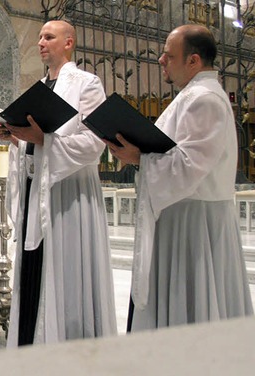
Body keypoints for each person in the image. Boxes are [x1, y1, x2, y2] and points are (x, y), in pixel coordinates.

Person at [107, 24, 253, 331]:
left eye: (168, 55)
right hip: (185, 214)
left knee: (191, 301)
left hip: (194, 222)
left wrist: (138, 158)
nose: (160, 60)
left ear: (193, 61)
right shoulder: (194, 95)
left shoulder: (204, 99)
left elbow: (189, 166)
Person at [0, 20, 117, 346]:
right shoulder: (39, 88)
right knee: (34, 269)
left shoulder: (87, 84)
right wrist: (16, 136)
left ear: (69, 43)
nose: (40, 42)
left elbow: (94, 142)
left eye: (48, 37)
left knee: (64, 273)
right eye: (38, 37)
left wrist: (43, 140)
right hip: (38, 189)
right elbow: (37, 142)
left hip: (69, 193)